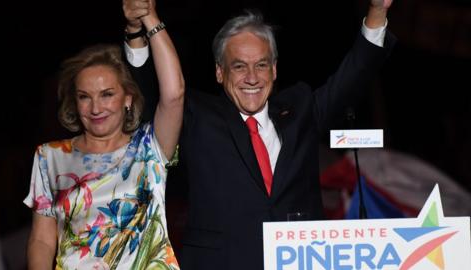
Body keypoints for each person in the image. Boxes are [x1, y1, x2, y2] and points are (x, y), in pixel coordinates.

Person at [124, 0, 396, 269]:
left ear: (274, 69)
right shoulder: (198, 117)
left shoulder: (300, 109)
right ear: (220, 72)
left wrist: (377, 10)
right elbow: (150, 95)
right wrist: (137, 32)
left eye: (261, 65)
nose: (252, 78)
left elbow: (352, 77)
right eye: (239, 66)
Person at [23, 2, 184, 269]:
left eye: (107, 94)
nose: (95, 108)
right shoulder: (49, 157)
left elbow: (174, 94)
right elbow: (42, 240)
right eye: (85, 97)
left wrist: (150, 18)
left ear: (128, 99)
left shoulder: (150, 147)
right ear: (74, 103)